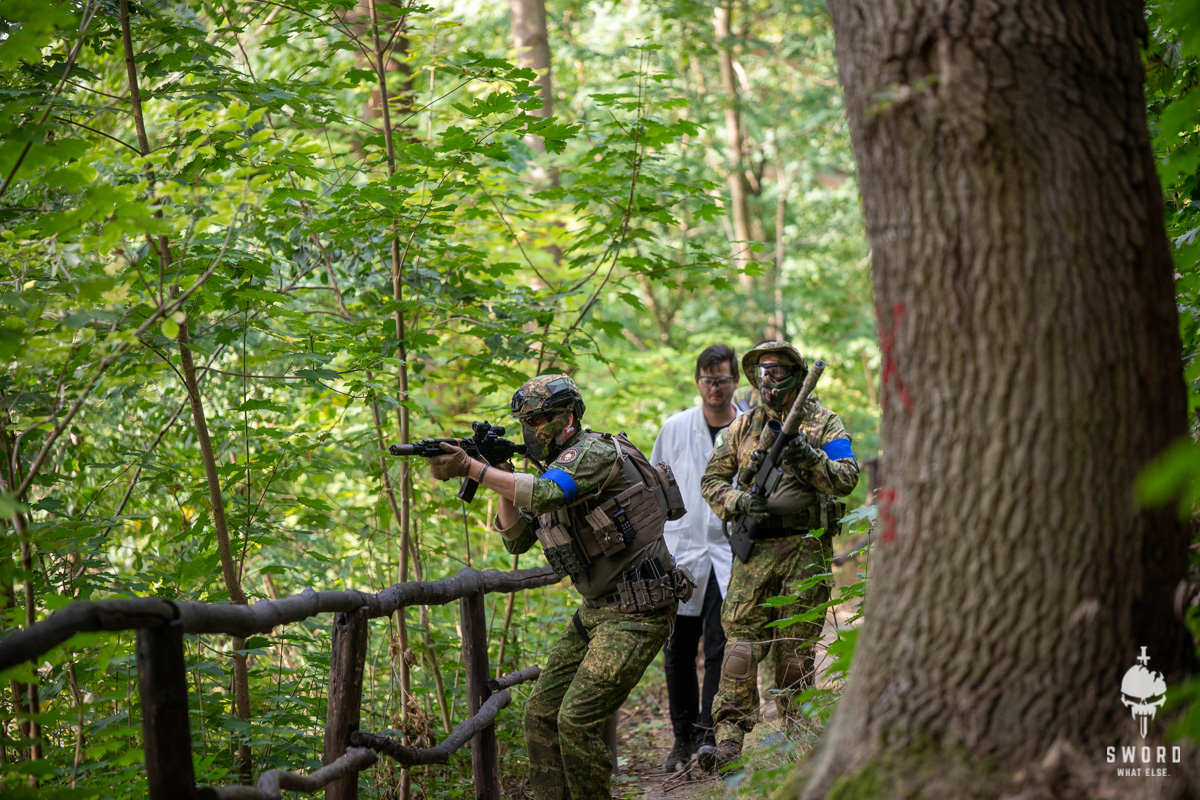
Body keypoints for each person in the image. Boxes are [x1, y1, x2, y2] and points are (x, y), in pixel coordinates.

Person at [423, 373, 693, 800]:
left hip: (638, 609)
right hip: (598, 611)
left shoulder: (593, 453)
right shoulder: (550, 469)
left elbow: (548, 492)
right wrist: (501, 477)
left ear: (567, 418)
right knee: (540, 713)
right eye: (525, 422)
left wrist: (472, 468)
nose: (531, 430)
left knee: (576, 720)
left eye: (538, 419)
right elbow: (516, 540)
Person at [696, 340, 859, 772]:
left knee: (794, 650)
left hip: (804, 547)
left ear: (797, 376)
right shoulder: (742, 426)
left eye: (777, 371)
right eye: (761, 372)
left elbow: (847, 477)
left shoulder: (824, 423)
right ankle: (728, 742)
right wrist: (737, 501)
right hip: (754, 549)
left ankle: (798, 738)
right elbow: (711, 480)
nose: (768, 380)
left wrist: (809, 458)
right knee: (740, 647)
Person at [650, 344, 742, 771]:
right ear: (697, 381)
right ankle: (682, 738)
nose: (714, 387)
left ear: (735, 380)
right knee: (678, 649)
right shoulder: (674, 428)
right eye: (707, 379)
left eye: (721, 379)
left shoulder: (750, 427)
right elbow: (651, 487)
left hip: (730, 553)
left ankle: (709, 735)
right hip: (680, 552)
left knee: (721, 647)